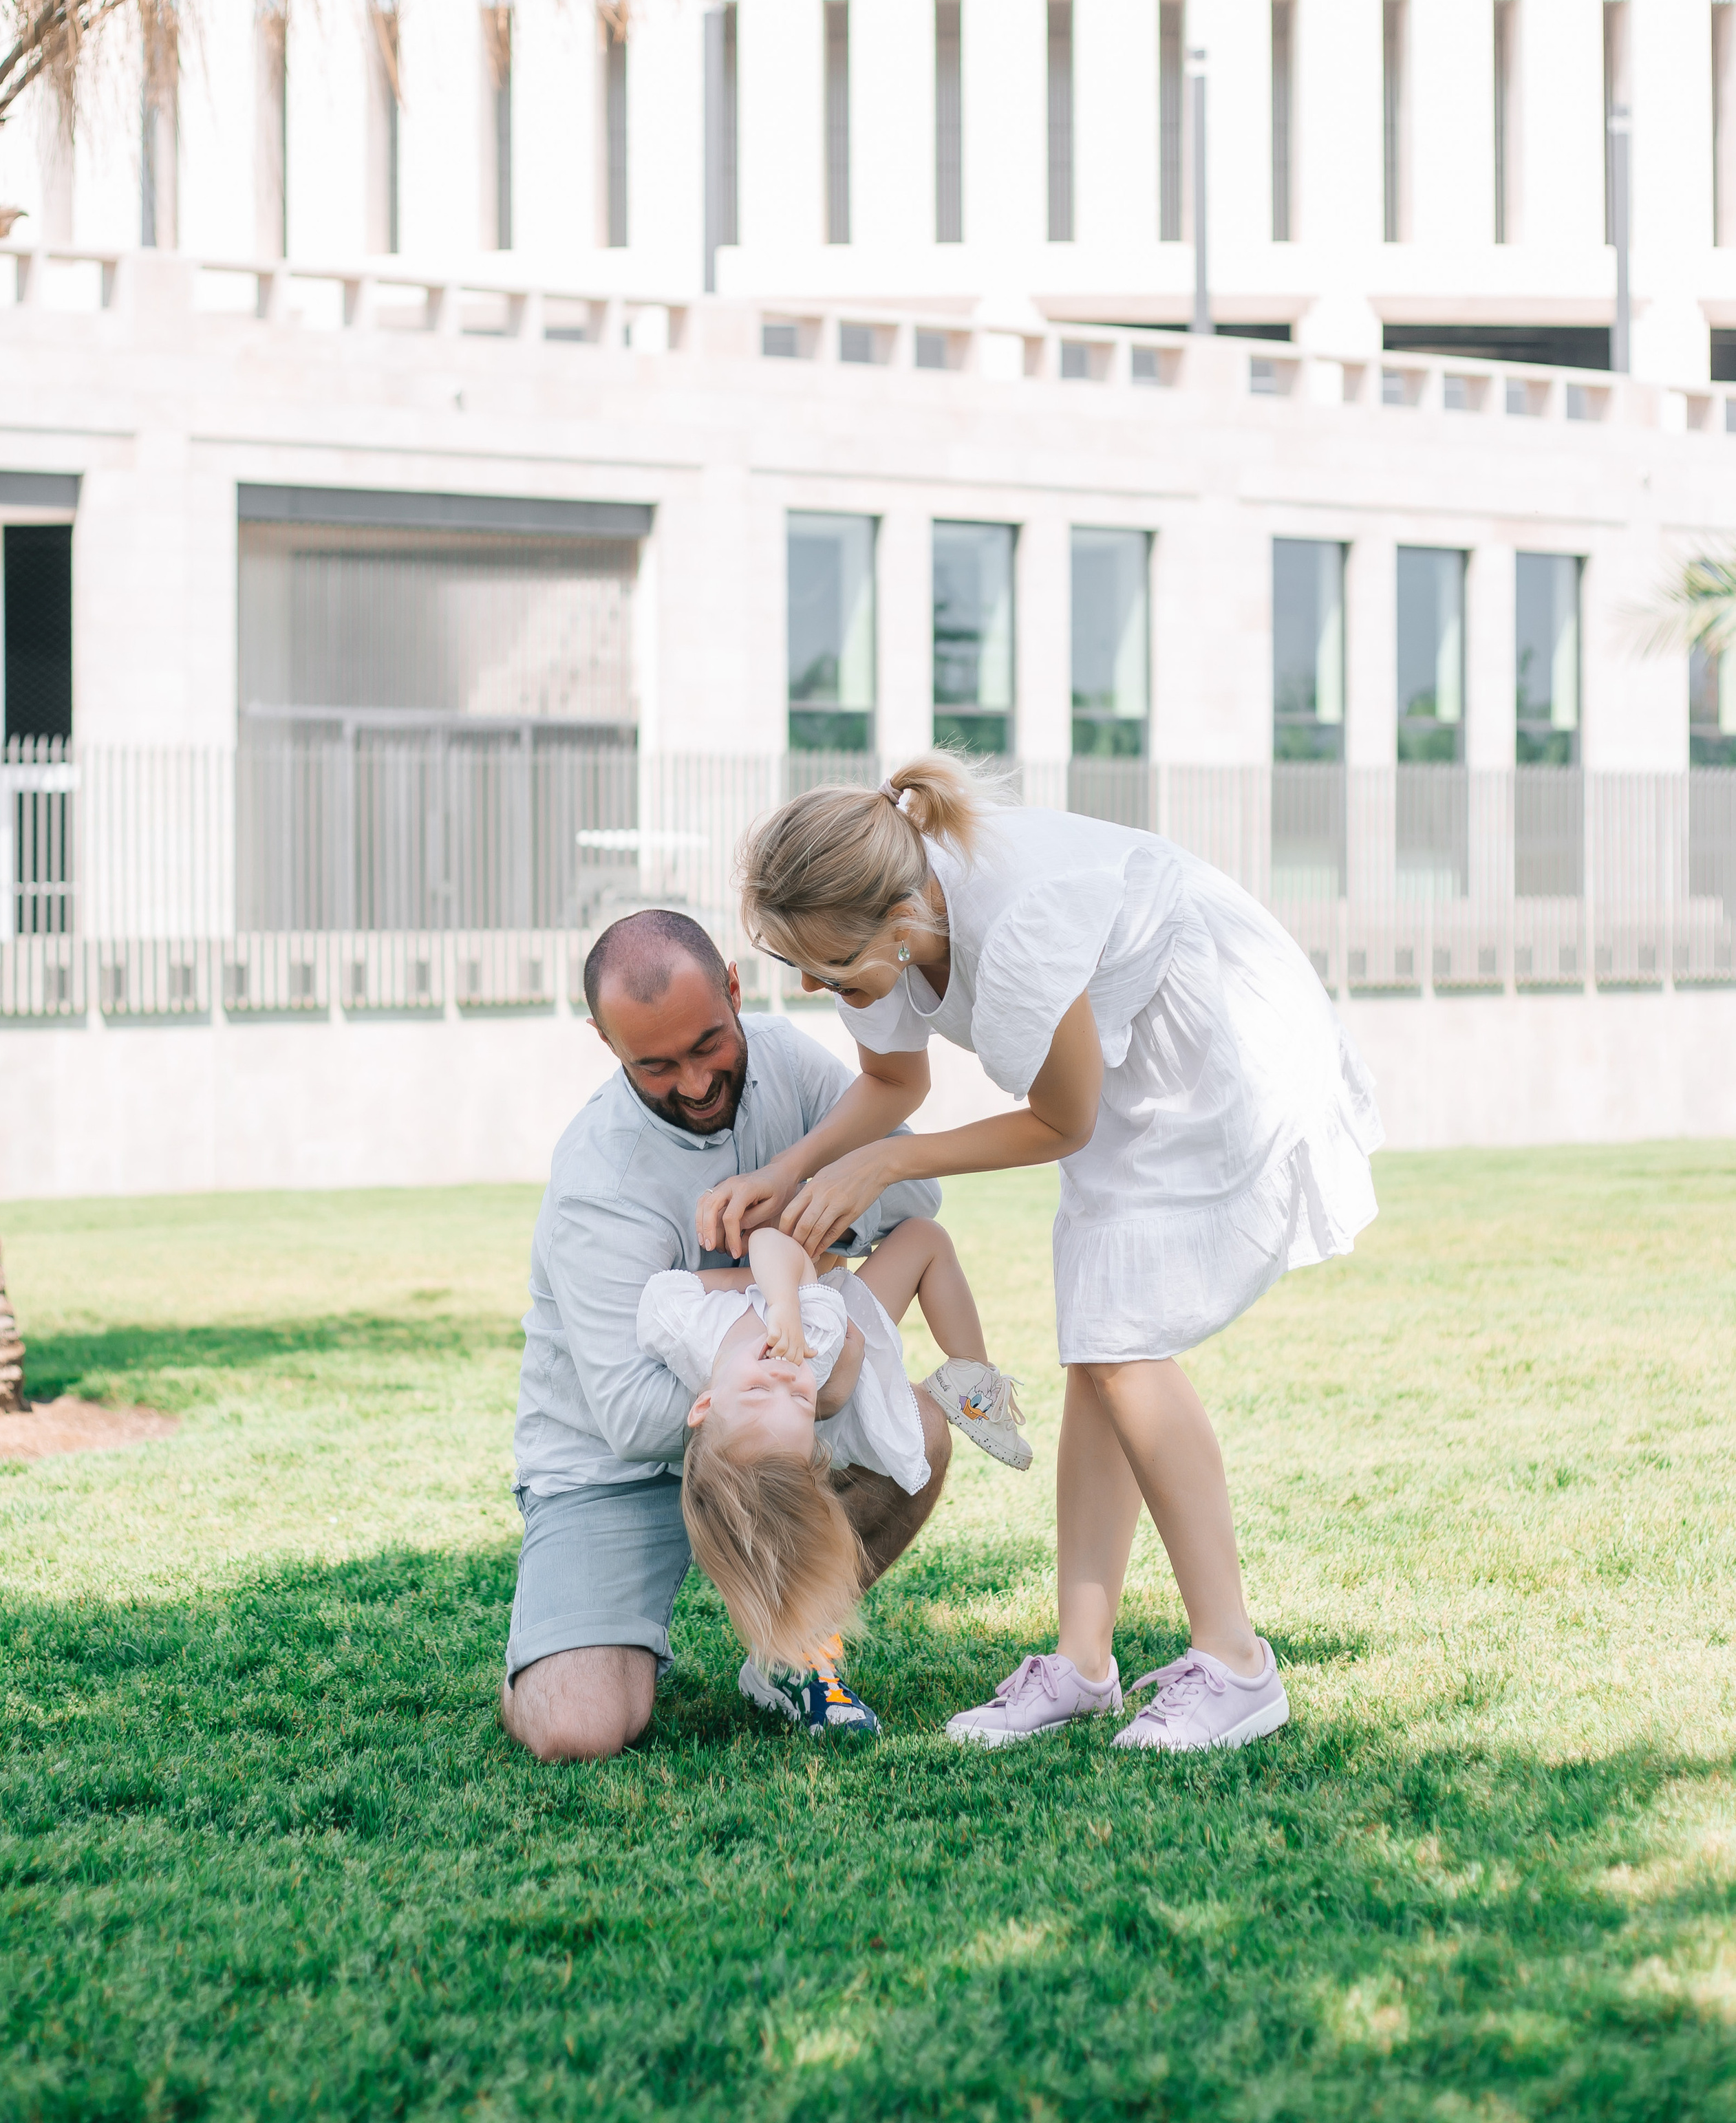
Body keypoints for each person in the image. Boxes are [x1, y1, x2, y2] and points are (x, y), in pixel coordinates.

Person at [698, 753, 1383, 1754]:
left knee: (1124, 1347)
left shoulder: (1013, 931)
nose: (810, 987)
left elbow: (1061, 1121)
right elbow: (893, 1081)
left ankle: (1237, 1664)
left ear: (899, 922)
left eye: (829, 969)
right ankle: (1082, 1664)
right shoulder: (880, 922)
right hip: (1123, 1059)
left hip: (1212, 1035)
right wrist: (795, 1171)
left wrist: (887, 1169)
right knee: (1097, 1350)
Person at [500, 907, 950, 1763]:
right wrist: (805, 1370)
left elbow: (914, 1200)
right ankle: (563, 1643)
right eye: (657, 1065)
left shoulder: (786, 1061)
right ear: (607, 1044)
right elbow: (631, 1415)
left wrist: (797, 1202)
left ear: (736, 991)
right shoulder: (599, 1178)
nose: (697, 1082)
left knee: (919, 1432)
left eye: (709, 1044)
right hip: (611, 1469)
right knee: (579, 1727)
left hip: (763, 1434)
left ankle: (786, 1653)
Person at [642, 1212, 998, 1689]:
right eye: (799, 1400)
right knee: (925, 1238)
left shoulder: (681, 1328)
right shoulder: (817, 1347)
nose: (783, 1377)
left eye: (756, 1393)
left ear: (705, 1403)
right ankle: (974, 1377)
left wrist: (765, 1294)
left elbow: (673, 1287)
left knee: (895, 1237)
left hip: (803, 1281)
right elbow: (779, 1248)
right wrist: (788, 1299)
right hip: (833, 1311)